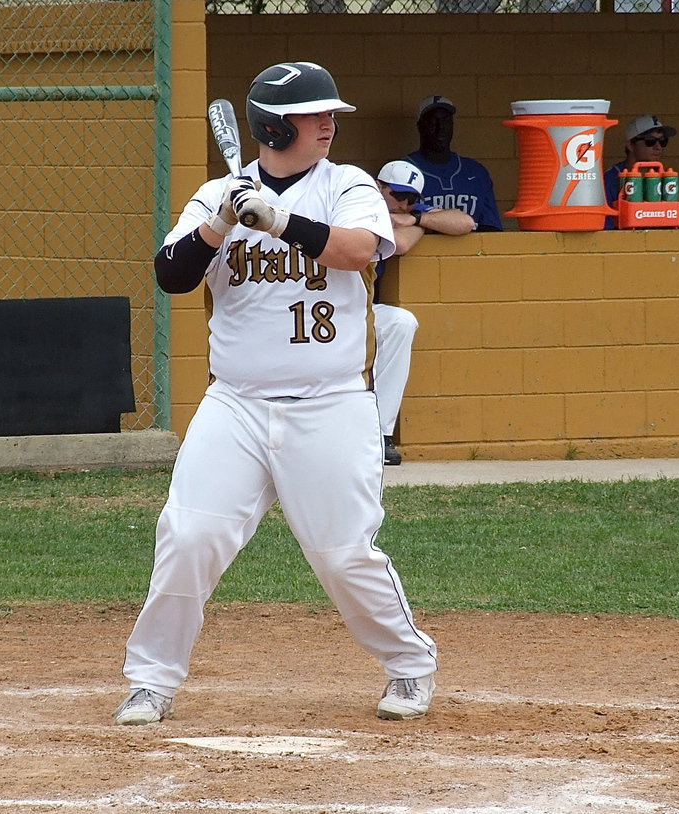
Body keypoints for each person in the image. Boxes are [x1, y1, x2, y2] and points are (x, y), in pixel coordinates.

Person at [116, 61, 437, 726]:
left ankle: (409, 667)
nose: (329, 124)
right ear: (271, 125)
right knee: (190, 535)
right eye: (316, 115)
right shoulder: (216, 196)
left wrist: (278, 220)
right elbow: (171, 277)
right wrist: (218, 227)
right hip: (235, 405)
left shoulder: (347, 185)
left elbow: (358, 252)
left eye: (329, 114)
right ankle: (150, 681)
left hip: (331, 403)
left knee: (343, 554)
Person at [372, 159, 475, 466]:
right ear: (380, 187)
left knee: (401, 323)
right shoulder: (360, 202)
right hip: (317, 304)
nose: (404, 204)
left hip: (360, 307)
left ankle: (379, 435)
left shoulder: (409, 212)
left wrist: (417, 219)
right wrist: (416, 223)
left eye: (411, 199)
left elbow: (465, 223)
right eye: (398, 195)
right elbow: (400, 244)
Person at [402, 95, 502, 232]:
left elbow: (492, 229)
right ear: (420, 126)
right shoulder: (402, 170)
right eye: (433, 122)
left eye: (446, 121)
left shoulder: (476, 172)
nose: (440, 127)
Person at [603, 115, 677, 229]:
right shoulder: (611, 178)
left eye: (662, 141)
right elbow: (606, 228)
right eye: (650, 141)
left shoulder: (665, 177)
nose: (658, 147)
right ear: (631, 145)